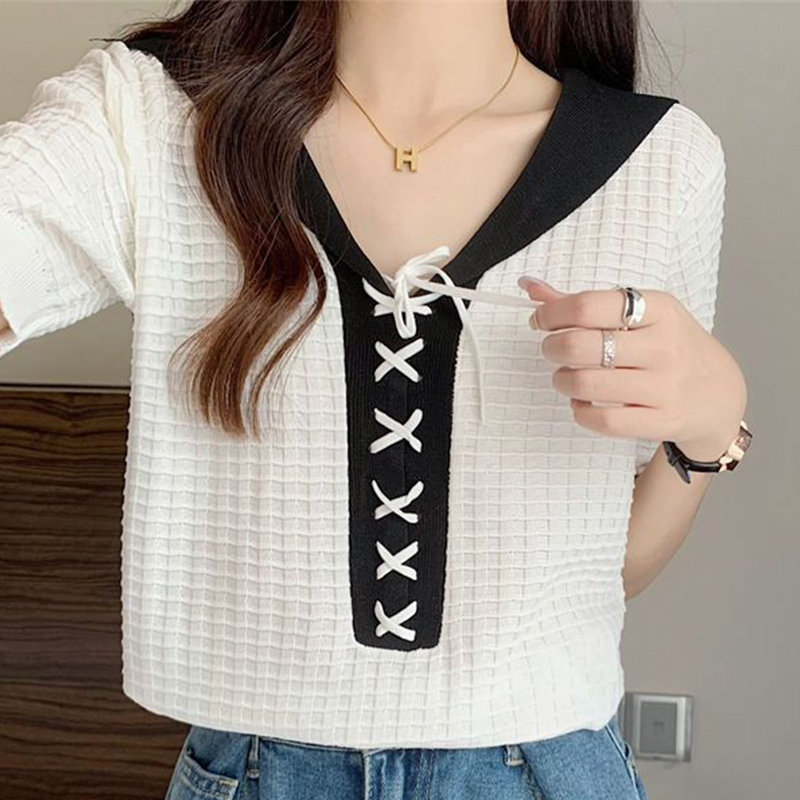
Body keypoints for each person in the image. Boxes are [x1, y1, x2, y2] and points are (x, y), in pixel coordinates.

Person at [0, 1, 752, 799]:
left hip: (546, 771)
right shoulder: (148, 119)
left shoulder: (663, 162)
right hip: (257, 772)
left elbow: (603, 576)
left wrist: (712, 426)